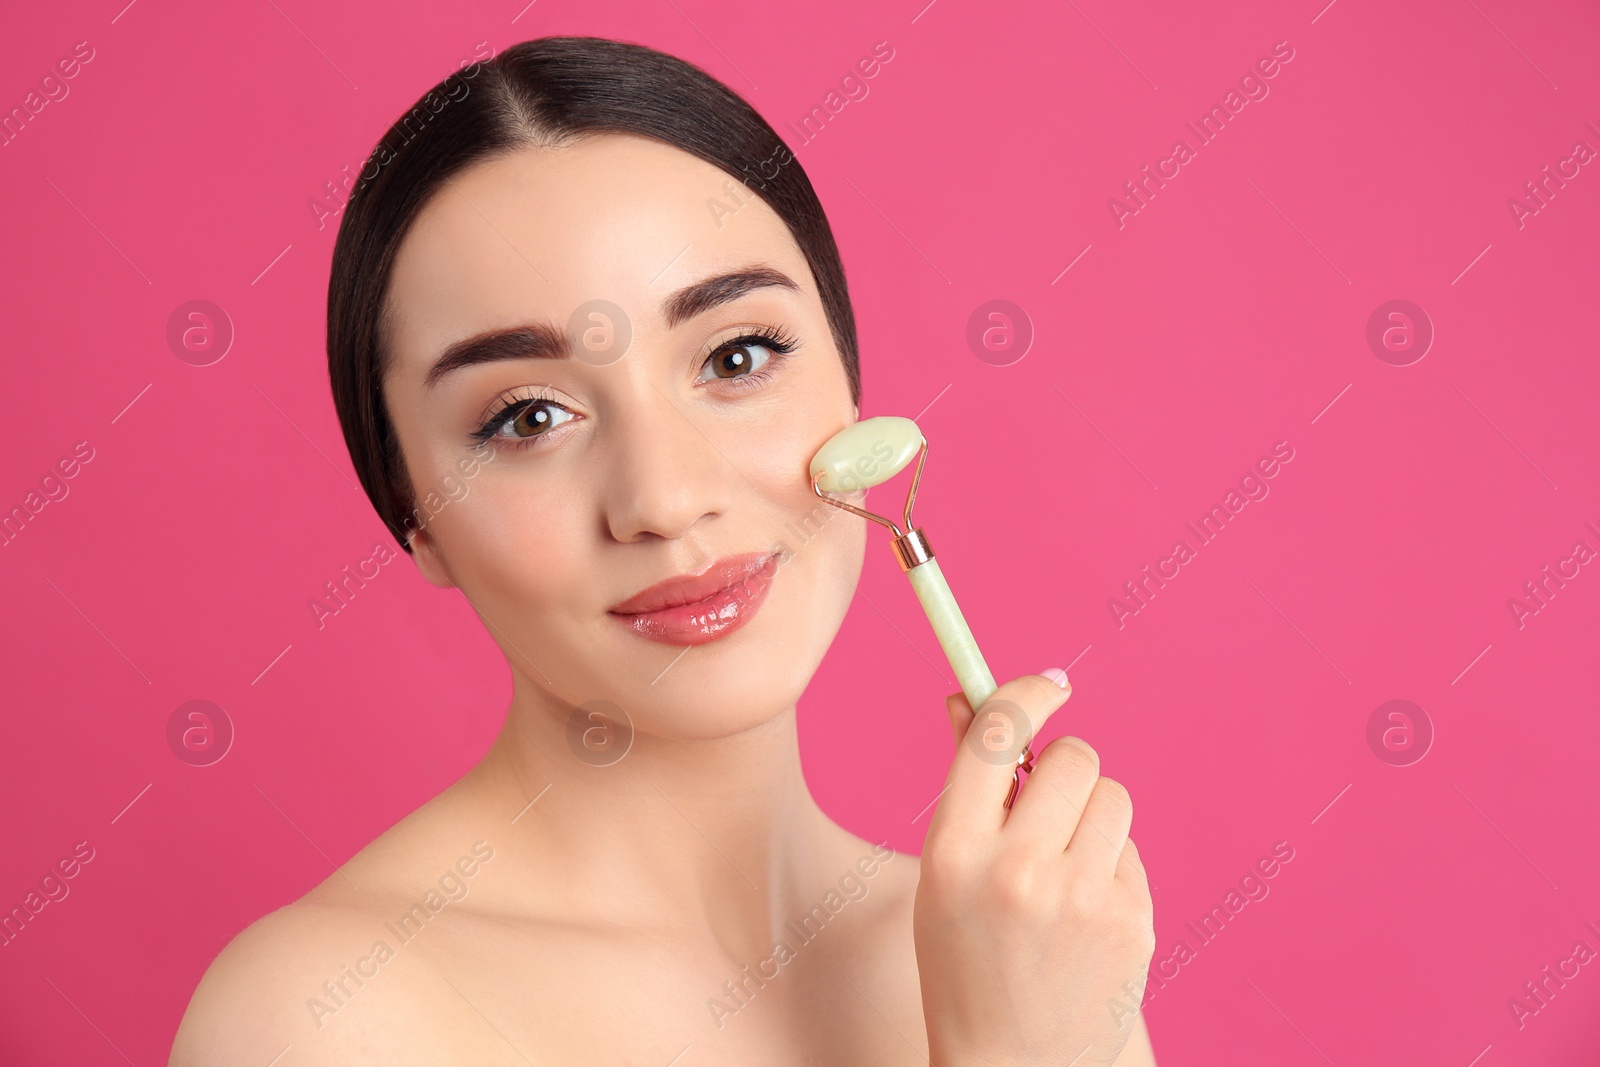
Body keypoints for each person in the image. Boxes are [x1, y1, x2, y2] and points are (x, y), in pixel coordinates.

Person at [170, 36, 1157, 1066]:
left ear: (849, 384)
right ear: (414, 515)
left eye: (737, 355)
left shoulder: (1023, 946)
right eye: (526, 416)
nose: (664, 498)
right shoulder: (327, 1016)